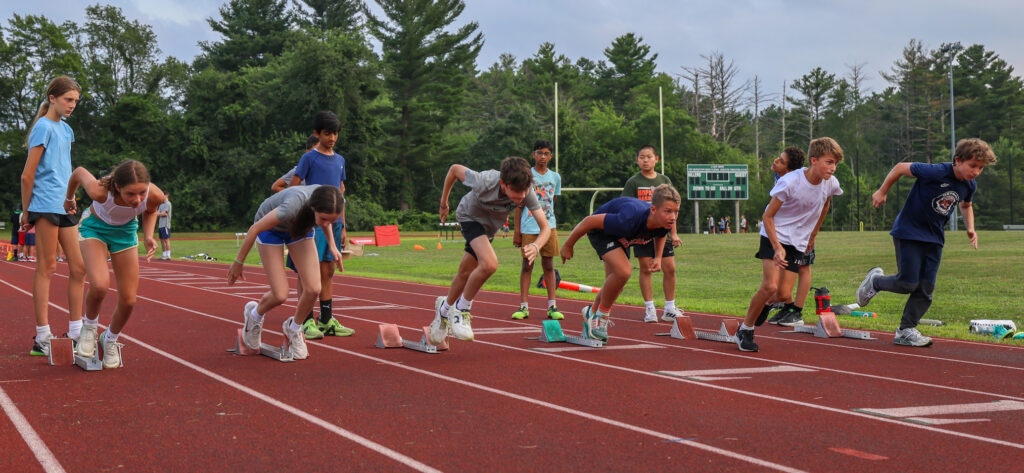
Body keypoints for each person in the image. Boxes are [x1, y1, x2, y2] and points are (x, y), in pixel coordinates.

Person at [856, 138, 996, 348]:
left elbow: (966, 206)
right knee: (907, 284)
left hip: (935, 238)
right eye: (973, 166)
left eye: (981, 168)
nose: (976, 172)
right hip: (909, 232)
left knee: (926, 289)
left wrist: (970, 229)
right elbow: (900, 168)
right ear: (958, 160)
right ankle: (875, 281)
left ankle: (905, 330)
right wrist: (882, 191)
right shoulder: (935, 172)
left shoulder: (969, 185)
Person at [736, 137, 844, 352]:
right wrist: (777, 247)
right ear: (814, 160)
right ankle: (745, 329)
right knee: (770, 286)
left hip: (798, 241)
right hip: (774, 233)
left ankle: (765, 304)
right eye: (829, 162)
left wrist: (813, 234)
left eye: (835, 164)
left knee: (784, 295)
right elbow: (767, 217)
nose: (833, 168)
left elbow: (825, 204)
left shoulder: (831, 183)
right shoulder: (791, 181)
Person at [429, 157, 549, 345]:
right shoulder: (484, 180)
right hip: (469, 217)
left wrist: (536, 246)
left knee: (465, 272)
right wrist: (444, 204)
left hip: (489, 228)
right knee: (490, 264)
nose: (521, 196)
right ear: (503, 183)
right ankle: (462, 311)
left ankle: (443, 311)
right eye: (516, 192)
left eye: (524, 191)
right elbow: (453, 169)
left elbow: (546, 228)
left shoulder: (527, 192)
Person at [65, 160, 165, 368]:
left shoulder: (155, 195)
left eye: (142, 193)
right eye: (130, 194)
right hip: (95, 229)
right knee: (100, 285)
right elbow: (78, 172)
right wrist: (69, 198)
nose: (137, 200)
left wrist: (148, 236)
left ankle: (109, 339)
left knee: (129, 299)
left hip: (125, 233)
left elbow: (150, 211)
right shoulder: (100, 191)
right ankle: (89, 329)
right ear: (118, 187)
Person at [228, 185, 345, 360]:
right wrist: (238, 262)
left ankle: (294, 329)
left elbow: (326, 219)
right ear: (313, 208)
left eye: (331, 220)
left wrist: (333, 246)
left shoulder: (330, 201)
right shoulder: (293, 205)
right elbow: (254, 229)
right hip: (270, 231)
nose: (327, 223)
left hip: (298, 230)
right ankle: (254, 316)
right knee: (280, 294)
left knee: (313, 289)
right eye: (323, 218)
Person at [560, 184, 681, 342]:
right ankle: (601, 318)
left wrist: (658, 257)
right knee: (624, 271)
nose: (673, 217)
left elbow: (660, 234)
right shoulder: (629, 217)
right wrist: (568, 244)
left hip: (620, 237)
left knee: (617, 282)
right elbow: (589, 221)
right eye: (668, 211)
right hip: (601, 232)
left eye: (676, 211)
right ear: (653, 210)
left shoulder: (664, 222)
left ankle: (592, 311)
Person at [21, 76, 87, 357]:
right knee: (46, 267)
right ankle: (42, 335)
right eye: (67, 100)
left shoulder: (67, 131)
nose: (72, 105)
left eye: (75, 101)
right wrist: (26, 212)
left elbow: (66, 170)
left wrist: (71, 197)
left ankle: (75, 331)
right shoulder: (43, 127)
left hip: (64, 205)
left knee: (79, 268)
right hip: (45, 204)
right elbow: (27, 174)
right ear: (52, 98)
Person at [289, 112, 353, 338]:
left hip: (333, 223)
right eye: (327, 133)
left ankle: (326, 319)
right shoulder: (309, 158)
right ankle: (305, 320)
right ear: (317, 134)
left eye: (335, 133)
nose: (332, 137)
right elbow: (294, 186)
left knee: (328, 269)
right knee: (306, 272)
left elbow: (341, 193)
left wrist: (343, 225)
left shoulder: (340, 160)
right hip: (313, 222)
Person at [622, 145, 682, 323]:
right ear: (637, 160)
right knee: (646, 268)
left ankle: (670, 307)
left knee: (669, 268)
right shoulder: (633, 182)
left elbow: (672, 208)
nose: (645, 160)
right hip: (642, 232)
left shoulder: (664, 180)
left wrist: (675, 233)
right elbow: (626, 206)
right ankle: (649, 308)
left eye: (649, 157)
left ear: (656, 159)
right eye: (641, 157)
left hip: (663, 230)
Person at [511, 140, 563, 321]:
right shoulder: (526, 176)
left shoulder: (555, 177)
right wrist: (517, 231)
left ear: (551, 156)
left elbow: (552, 200)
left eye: (546, 153)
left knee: (548, 265)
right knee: (527, 265)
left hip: (548, 227)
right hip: (529, 227)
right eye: (539, 153)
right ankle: (524, 307)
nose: (542, 157)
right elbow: (519, 205)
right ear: (533, 154)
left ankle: (552, 306)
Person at [761, 146, 813, 326]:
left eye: (781, 161)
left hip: (801, 233)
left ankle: (796, 310)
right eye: (778, 157)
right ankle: (788, 306)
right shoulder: (780, 177)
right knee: (782, 278)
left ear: (790, 169)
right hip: (782, 234)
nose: (776, 161)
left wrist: (812, 234)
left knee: (804, 267)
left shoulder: (796, 180)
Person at [157, 192, 172, 260]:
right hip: (160, 225)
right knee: (162, 240)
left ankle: (168, 255)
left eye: (163, 195)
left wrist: (159, 213)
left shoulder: (168, 204)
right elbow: (158, 213)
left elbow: (165, 214)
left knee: (166, 240)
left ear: (166, 196)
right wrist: (159, 213)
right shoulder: (161, 205)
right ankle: (164, 255)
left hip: (165, 224)